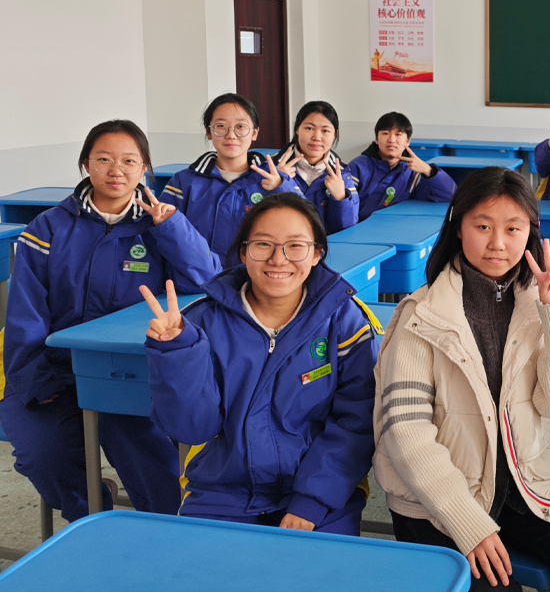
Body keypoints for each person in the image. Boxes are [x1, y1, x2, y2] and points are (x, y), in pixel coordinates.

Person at [373, 167, 550, 592]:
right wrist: (468, 523)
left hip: (521, 483)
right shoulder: (420, 316)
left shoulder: (539, 305)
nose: (498, 243)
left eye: (513, 228)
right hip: (436, 501)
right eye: (483, 225)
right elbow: (406, 435)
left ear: (529, 233)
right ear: (458, 227)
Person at [1, 120, 220, 522]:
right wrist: (36, 382)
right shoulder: (47, 228)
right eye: (103, 159)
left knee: (153, 464)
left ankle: (165, 533)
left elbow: (207, 282)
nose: (116, 170)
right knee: (43, 456)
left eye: (129, 161)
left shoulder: (158, 225)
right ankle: (91, 514)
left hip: (129, 373)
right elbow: (24, 315)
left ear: (144, 168)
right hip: (53, 372)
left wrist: (171, 227)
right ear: (86, 164)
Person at [142, 194, 378, 534]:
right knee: (202, 566)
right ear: (243, 252)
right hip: (222, 492)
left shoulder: (344, 322)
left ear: (316, 254)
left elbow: (356, 422)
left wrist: (312, 502)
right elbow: (192, 430)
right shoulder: (201, 324)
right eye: (263, 244)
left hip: (323, 491)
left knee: (316, 567)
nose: (278, 259)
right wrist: (177, 353)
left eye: (295, 246)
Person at [161, 93, 302, 263]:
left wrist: (281, 185)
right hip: (196, 278)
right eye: (221, 126)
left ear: (254, 133)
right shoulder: (184, 182)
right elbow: (166, 234)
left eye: (241, 126)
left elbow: (306, 222)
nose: (231, 135)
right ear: (209, 132)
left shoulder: (273, 179)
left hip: (254, 276)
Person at [347, 112, 455, 220]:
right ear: (377, 139)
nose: (391, 140)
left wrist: (428, 170)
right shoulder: (357, 167)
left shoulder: (411, 172)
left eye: (398, 134)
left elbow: (449, 195)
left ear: (407, 141)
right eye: (385, 133)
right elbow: (345, 209)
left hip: (390, 226)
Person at [274, 101, 359, 234]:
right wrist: (278, 185)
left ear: (334, 134)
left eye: (325, 130)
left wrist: (341, 198)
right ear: (297, 129)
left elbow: (348, 230)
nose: (316, 137)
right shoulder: (272, 167)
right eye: (309, 128)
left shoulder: (342, 174)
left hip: (326, 246)